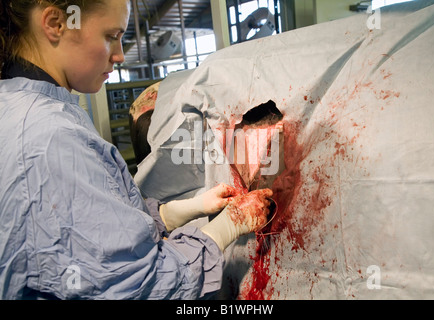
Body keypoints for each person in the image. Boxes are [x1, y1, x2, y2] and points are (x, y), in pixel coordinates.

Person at [0, 0, 273, 300]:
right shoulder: (50, 138)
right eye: (110, 36)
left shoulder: (20, 106)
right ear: (55, 24)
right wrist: (225, 228)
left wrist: (180, 210)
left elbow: (91, 231)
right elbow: (139, 287)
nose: (119, 55)